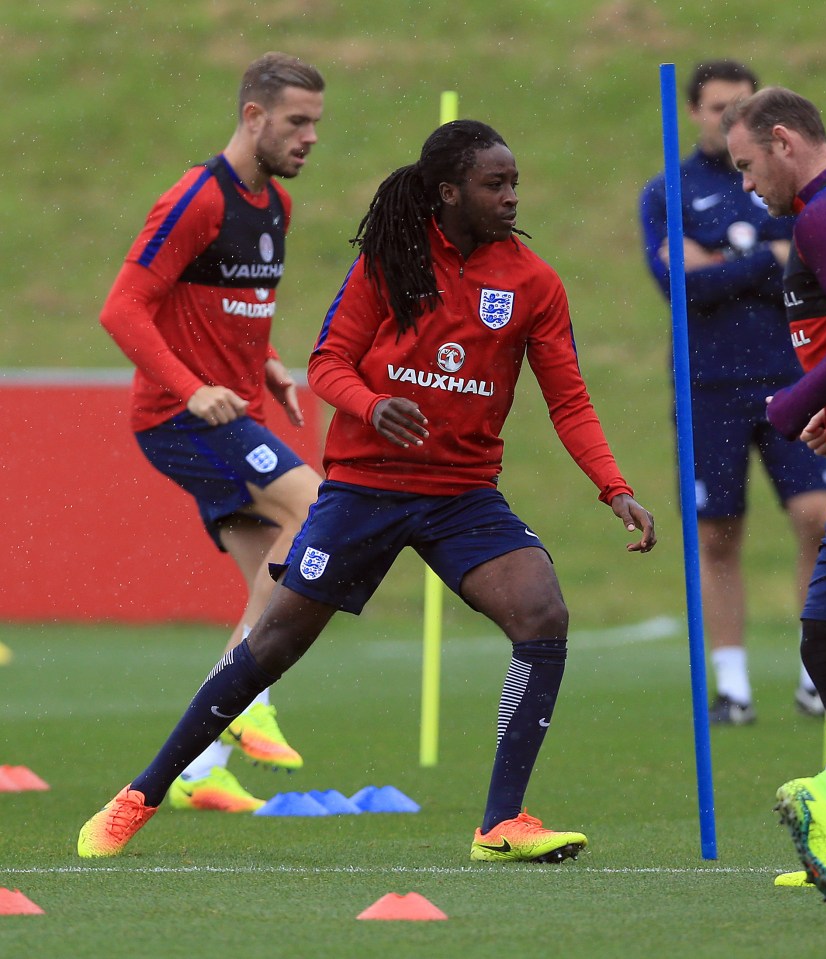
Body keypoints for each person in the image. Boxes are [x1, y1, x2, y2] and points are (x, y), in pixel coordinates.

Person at [77, 119, 657, 863]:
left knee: (542, 612)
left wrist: (612, 487)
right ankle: (141, 793)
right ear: (448, 192)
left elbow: (568, 400)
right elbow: (327, 363)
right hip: (365, 486)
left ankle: (501, 823)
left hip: (461, 494)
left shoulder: (533, 283)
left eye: (515, 183)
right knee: (275, 643)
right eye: (494, 184)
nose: (512, 197)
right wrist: (371, 405)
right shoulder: (391, 260)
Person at [97, 52, 326, 813]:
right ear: (253, 117)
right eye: (297, 122)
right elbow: (123, 308)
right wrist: (194, 389)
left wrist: (269, 365)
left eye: (316, 124)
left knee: (272, 585)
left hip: (238, 413)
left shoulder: (277, 209)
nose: (309, 138)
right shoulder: (195, 198)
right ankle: (251, 701)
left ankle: (200, 767)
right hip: (177, 417)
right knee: (317, 508)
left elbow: (228, 309)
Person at [639, 60, 826, 726]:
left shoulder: (805, 200)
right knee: (716, 534)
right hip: (708, 385)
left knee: (816, 517)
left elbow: (794, 259)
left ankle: (812, 680)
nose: (728, 117)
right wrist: (761, 262)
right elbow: (681, 287)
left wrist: (722, 261)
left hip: (793, 382)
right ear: (694, 111)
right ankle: (733, 685)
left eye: (740, 106)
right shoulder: (669, 188)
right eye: (717, 105)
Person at [722, 85, 826, 899]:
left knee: (822, 637)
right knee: (822, 636)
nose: (745, 186)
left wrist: (787, 406)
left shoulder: (821, 217)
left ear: (784, 141)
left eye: (747, 165)